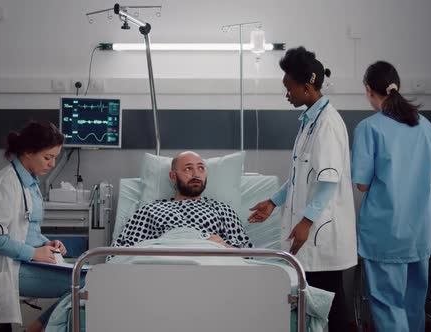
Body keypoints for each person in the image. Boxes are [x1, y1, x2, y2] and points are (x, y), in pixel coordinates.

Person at [247, 46, 357, 331]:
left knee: (332, 307)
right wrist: (273, 201)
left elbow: (328, 181)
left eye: (289, 87)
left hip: (322, 233)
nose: (286, 94)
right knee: (323, 305)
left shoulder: (328, 124)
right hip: (312, 233)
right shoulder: (310, 121)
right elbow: (300, 176)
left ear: (306, 86)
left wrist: (307, 222)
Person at [352, 61, 431, 332]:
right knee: (414, 304)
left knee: (388, 306)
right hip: (419, 231)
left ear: (369, 90)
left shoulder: (369, 128)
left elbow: (362, 185)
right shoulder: (426, 126)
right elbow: (426, 173)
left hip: (385, 232)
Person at [0, 121, 69, 332]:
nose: (52, 164)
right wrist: (34, 253)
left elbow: (27, 228)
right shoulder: (4, 185)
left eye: (55, 158)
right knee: (83, 285)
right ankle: (34, 329)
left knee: (87, 281)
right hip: (7, 268)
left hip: (22, 261)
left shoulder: (29, 182)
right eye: (47, 157)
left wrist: (47, 244)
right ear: (28, 152)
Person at [113, 151, 252, 249]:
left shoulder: (222, 209)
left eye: (201, 168)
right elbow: (120, 253)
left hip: (209, 267)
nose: (196, 174)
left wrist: (223, 245)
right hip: (161, 268)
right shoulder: (150, 210)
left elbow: (247, 255)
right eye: (188, 169)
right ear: (173, 176)